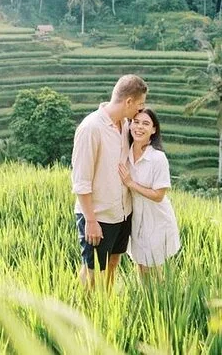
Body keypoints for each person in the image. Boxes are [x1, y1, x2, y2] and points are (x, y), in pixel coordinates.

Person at [71, 74, 148, 288]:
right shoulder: (91, 128)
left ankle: (106, 302)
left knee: (113, 262)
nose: (141, 110)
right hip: (99, 215)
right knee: (93, 270)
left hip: (122, 212)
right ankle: (82, 307)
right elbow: (81, 181)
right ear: (129, 101)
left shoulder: (126, 125)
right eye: (140, 105)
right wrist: (91, 221)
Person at [118, 108, 181, 277]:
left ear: (153, 130)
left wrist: (131, 183)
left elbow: (159, 195)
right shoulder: (126, 152)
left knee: (152, 268)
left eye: (145, 123)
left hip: (156, 219)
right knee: (140, 264)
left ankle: (160, 294)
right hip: (136, 217)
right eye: (136, 122)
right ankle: (144, 294)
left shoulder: (158, 158)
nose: (139, 127)